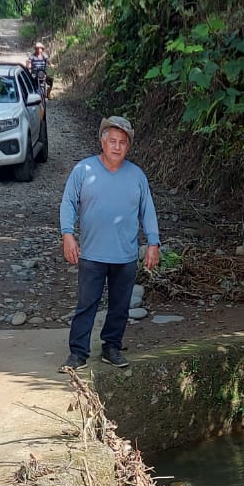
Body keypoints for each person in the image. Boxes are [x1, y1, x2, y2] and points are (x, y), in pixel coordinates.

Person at [59, 115, 160, 370]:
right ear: (102, 142)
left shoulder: (136, 175)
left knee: (120, 306)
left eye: (122, 142)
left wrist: (153, 243)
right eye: (112, 141)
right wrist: (67, 235)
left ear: (128, 147)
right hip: (92, 253)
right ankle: (78, 353)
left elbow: (147, 210)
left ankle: (112, 347)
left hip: (125, 255)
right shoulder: (83, 170)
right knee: (86, 304)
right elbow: (69, 202)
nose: (117, 146)